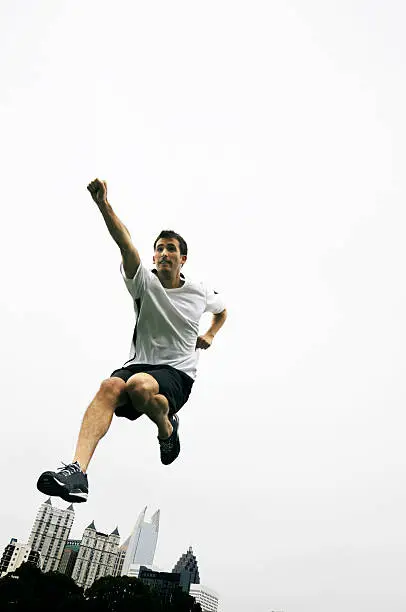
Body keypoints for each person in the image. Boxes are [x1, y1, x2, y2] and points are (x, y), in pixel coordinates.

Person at [37, 178, 227, 503]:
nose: (164, 253)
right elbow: (125, 244)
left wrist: (209, 334)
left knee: (140, 386)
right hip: (139, 363)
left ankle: (167, 430)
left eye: (171, 249)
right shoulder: (143, 283)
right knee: (110, 386)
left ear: (183, 259)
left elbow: (222, 312)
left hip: (178, 373)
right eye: (160, 248)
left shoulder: (200, 290)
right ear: (154, 256)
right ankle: (77, 471)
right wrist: (103, 205)